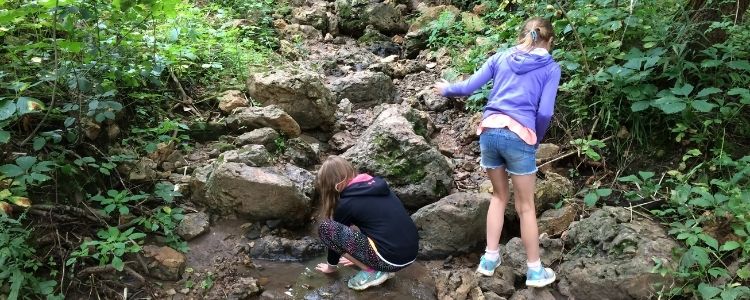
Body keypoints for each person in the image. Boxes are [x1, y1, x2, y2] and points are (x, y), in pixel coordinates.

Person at [434, 17, 560, 287]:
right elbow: (546, 111)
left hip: (489, 132)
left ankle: (489, 259)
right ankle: (535, 271)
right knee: (526, 207)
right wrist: (535, 138)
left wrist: (447, 89)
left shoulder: (501, 57)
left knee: (499, 197)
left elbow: (468, 87)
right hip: (519, 135)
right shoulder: (550, 67)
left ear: (521, 36)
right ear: (549, 41)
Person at [314, 156, 419, 291]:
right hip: (410, 254)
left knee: (325, 228)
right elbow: (375, 225)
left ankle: (372, 271)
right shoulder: (377, 185)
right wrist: (356, 256)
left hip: (390, 259)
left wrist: (331, 267)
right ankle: (376, 264)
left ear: (333, 186)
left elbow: (334, 235)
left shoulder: (346, 204)